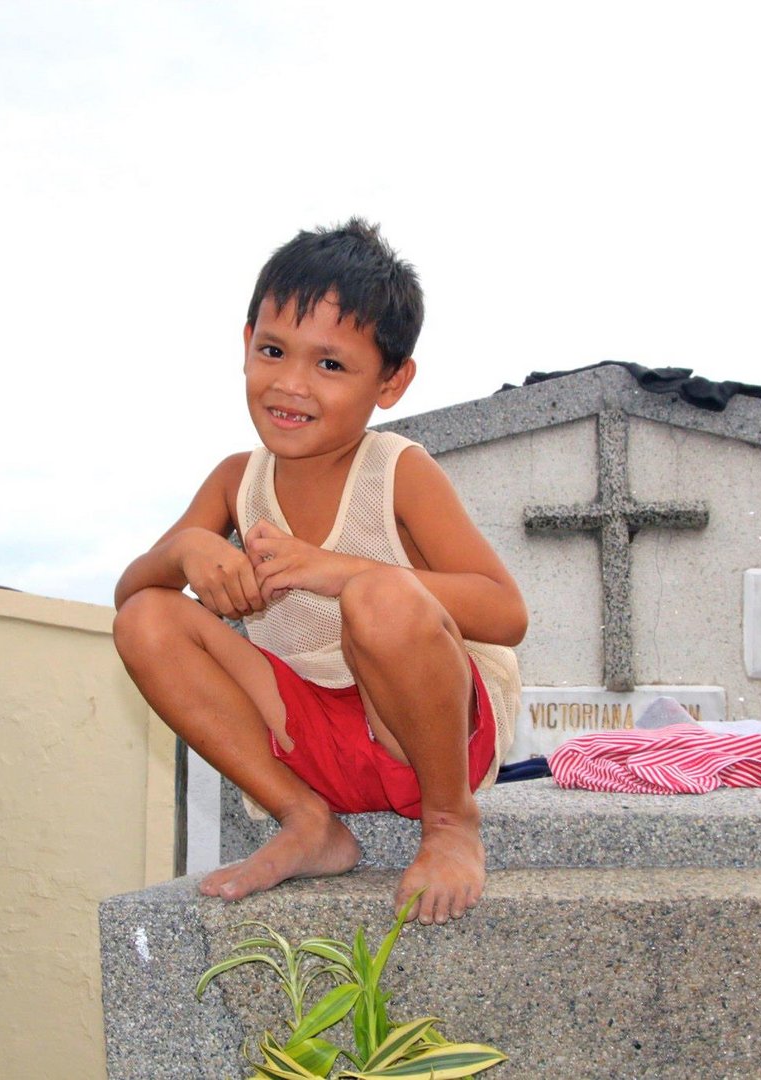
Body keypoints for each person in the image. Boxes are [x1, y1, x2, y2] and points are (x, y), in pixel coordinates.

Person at [112, 218, 526, 925]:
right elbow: (132, 596)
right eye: (274, 351)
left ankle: (451, 826)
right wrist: (186, 549)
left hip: (425, 736)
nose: (292, 384)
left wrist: (337, 569)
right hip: (307, 741)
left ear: (391, 381)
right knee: (146, 617)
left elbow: (505, 612)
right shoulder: (236, 482)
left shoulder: (399, 471)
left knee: (382, 600)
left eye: (330, 365)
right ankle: (307, 822)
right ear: (246, 345)